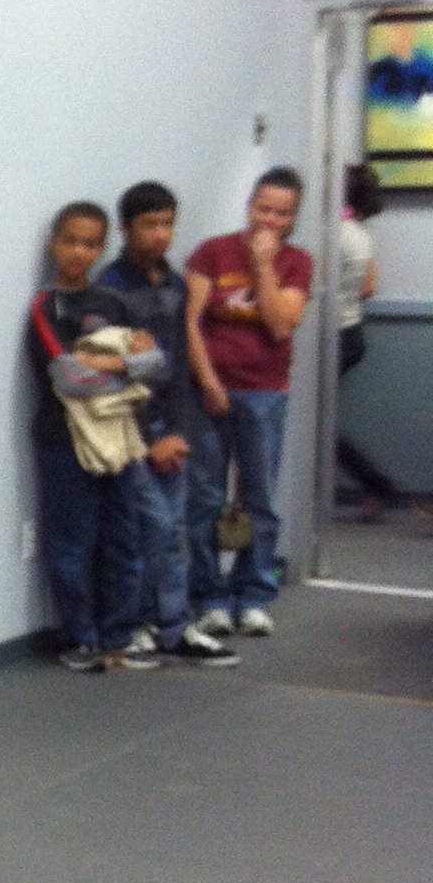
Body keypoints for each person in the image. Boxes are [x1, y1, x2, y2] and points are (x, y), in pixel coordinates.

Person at [98, 184, 239, 666]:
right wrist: (152, 438)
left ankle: (175, 626)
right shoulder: (110, 288)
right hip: (128, 429)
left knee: (174, 526)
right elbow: (117, 373)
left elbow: (177, 368)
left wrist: (177, 430)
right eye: (149, 224)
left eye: (167, 223)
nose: (160, 234)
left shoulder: (175, 285)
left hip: (172, 426)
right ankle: (134, 624)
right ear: (126, 228)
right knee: (144, 528)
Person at [26, 201, 167, 672]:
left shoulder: (114, 303)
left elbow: (155, 364)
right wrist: (126, 369)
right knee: (72, 542)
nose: (78, 252)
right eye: (70, 241)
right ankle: (79, 639)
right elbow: (68, 378)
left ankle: (117, 639)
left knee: (124, 539)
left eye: (89, 244)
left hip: (118, 438)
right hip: (65, 439)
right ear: (54, 243)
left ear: (102, 247)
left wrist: (110, 362)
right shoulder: (47, 306)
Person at [184, 167, 313, 638]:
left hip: (264, 392)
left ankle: (253, 594)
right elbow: (191, 322)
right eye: (263, 209)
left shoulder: (296, 262)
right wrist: (208, 381)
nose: (270, 220)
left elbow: (280, 325)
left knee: (258, 496)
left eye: (282, 213)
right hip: (209, 389)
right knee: (204, 496)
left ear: (293, 218)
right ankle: (208, 597)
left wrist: (261, 266)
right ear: (249, 207)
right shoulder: (212, 252)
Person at [329, 164, 413, 523]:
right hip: (351, 333)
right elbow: (368, 287)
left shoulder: (332, 234)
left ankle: (376, 483)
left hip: (332, 338)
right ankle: (375, 484)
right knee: (317, 423)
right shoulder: (360, 234)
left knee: (313, 423)